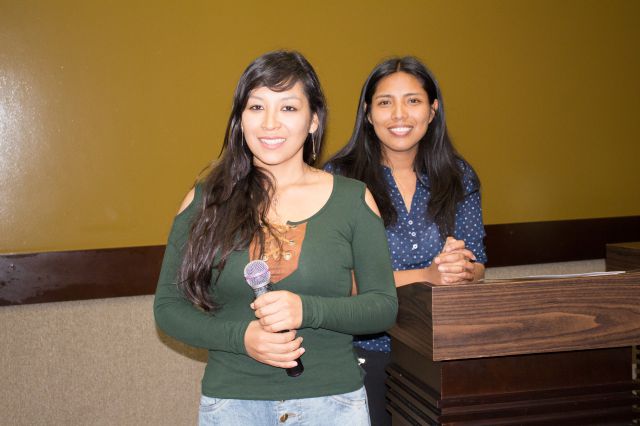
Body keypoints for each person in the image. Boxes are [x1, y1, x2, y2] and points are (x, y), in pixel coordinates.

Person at [153, 50, 398, 426]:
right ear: (240, 119)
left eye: (288, 108)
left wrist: (307, 310)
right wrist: (242, 338)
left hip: (332, 404)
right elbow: (168, 309)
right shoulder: (206, 200)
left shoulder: (352, 199)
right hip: (233, 406)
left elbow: (383, 307)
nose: (270, 123)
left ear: (313, 120)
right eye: (256, 107)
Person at [325, 56, 487, 425]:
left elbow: (478, 264)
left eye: (413, 101)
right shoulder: (338, 179)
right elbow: (339, 284)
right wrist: (427, 276)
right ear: (368, 113)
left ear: (433, 110)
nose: (399, 114)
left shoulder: (459, 175)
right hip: (359, 353)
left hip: (440, 351)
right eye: (385, 102)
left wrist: (460, 269)